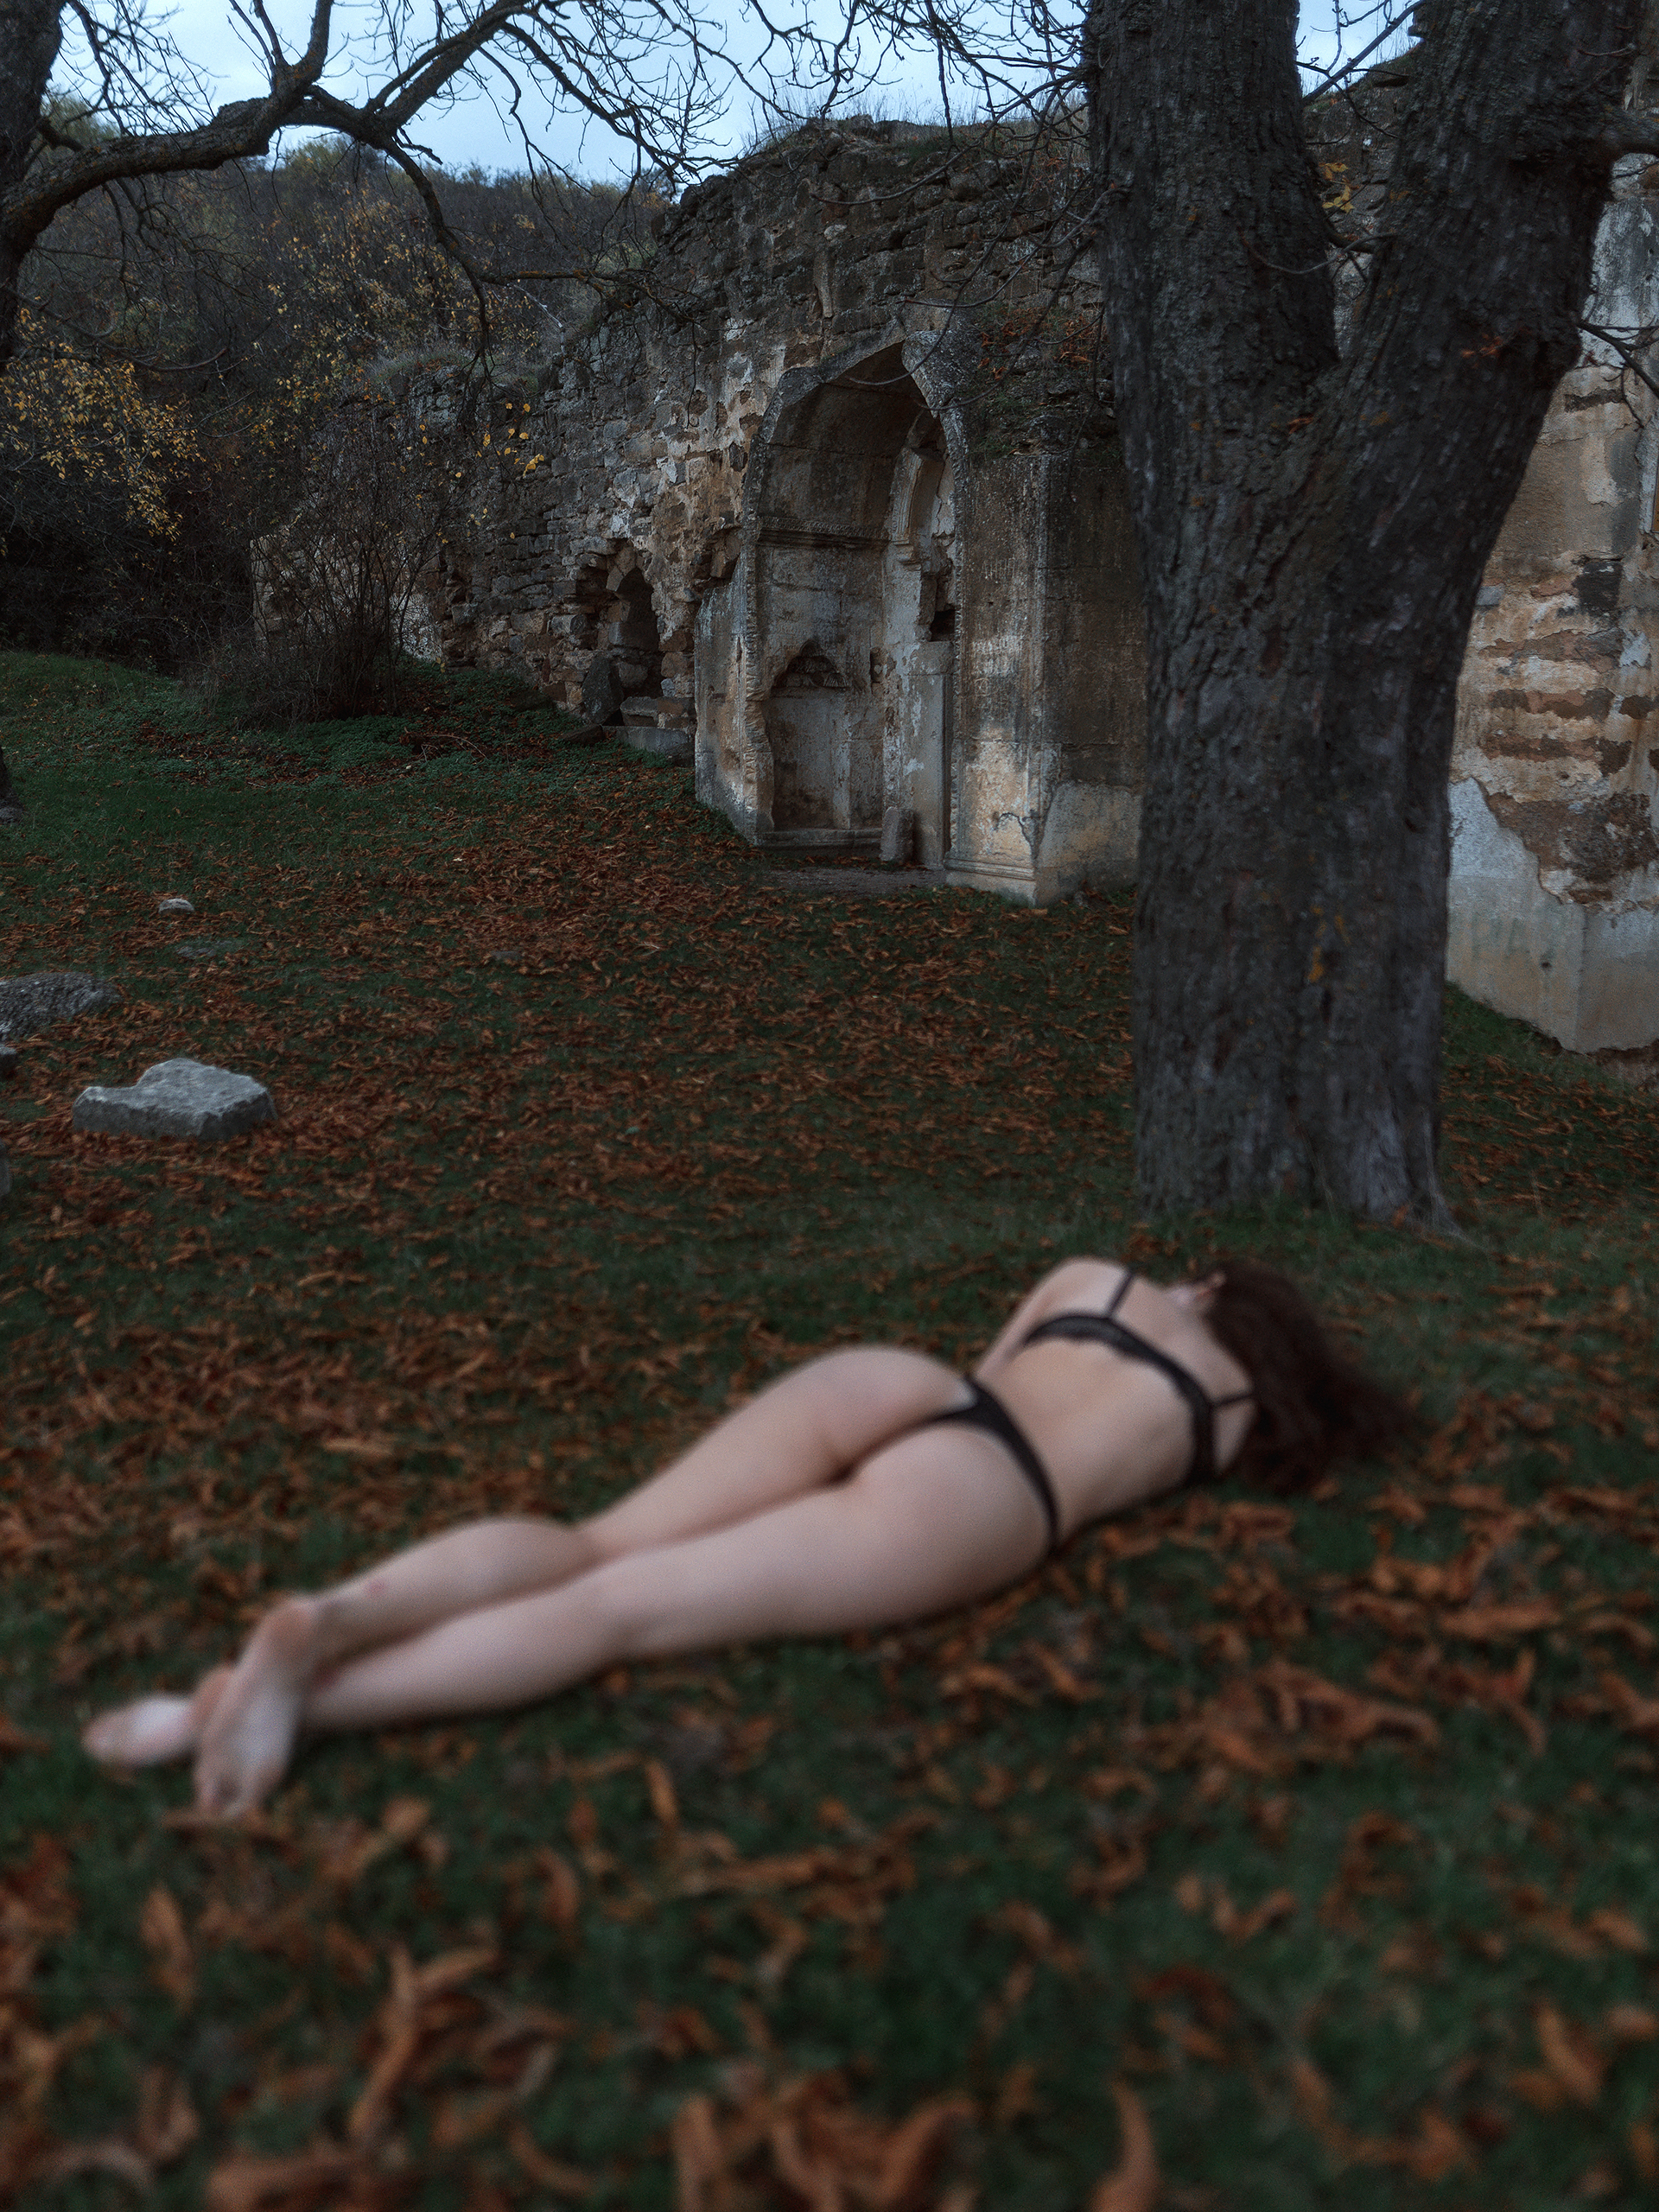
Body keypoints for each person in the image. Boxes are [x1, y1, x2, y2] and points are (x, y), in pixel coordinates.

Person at [83, 1255, 1408, 1817]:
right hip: (996, 1491)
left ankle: (319, 1631)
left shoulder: (1093, 1277)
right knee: (622, 1614)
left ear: (1208, 1287)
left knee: (595, 1545)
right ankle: (293, 1707)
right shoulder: (1227, 1411)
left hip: (904, 1389)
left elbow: (988, 1370)